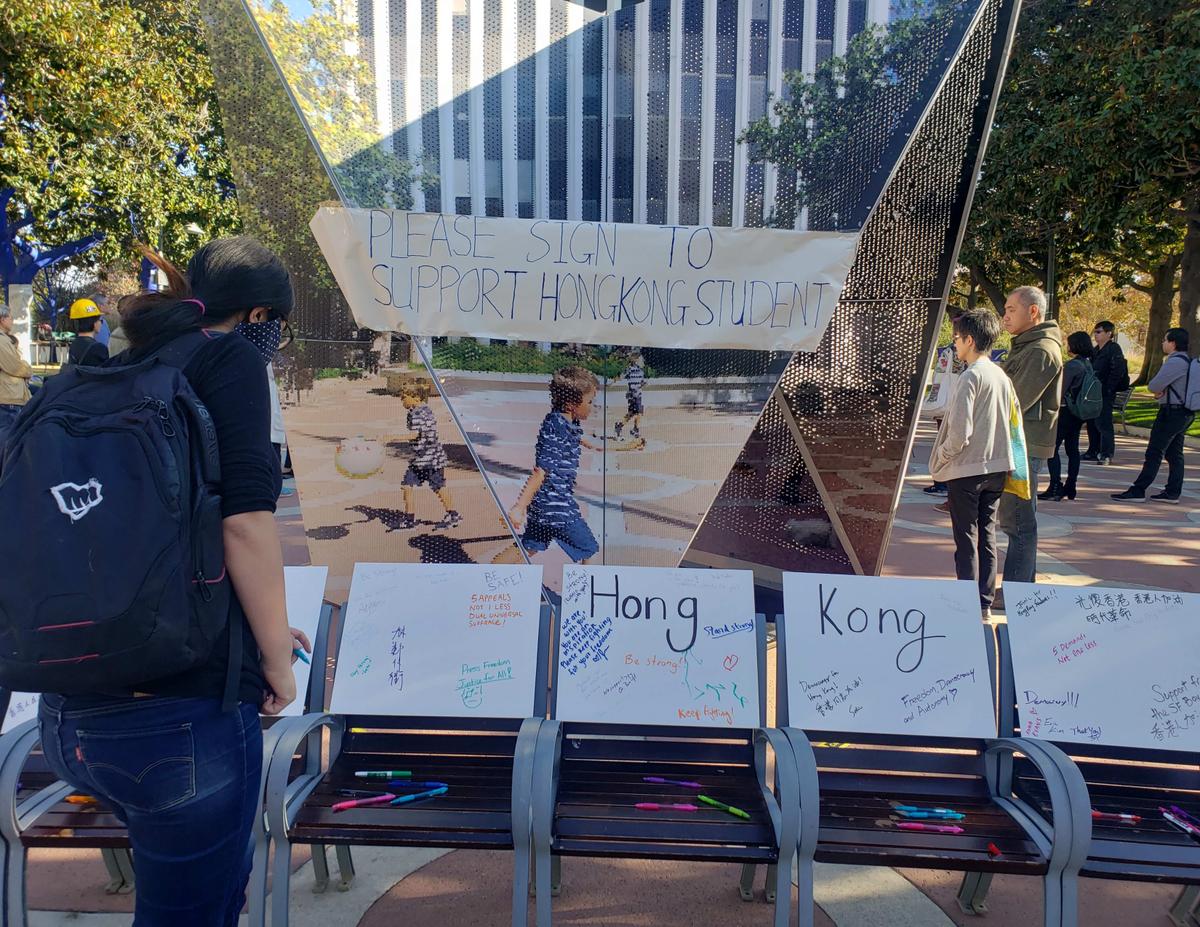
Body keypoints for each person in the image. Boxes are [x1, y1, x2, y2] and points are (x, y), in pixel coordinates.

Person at [37, 236, 311, 926]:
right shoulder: (231, 364)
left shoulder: (122, 365)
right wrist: (274, 660)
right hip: (181, 721)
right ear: (258, 314)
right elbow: (244, 527)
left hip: (70, 713)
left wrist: (259, 626)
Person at [928, 309, 1015, 617]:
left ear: (969, 339)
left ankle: (967, 601)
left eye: (957, 338)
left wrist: (943, 456)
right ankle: (984, 602)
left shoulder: (970, 377)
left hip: (967, 469)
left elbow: (960, 431)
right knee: (987, 536)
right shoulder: (1000, 375)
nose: (955, 344)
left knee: (965, 538)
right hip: (996, 467)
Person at [495, 366, 602, 565]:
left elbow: (583, 440)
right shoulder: (557, 428)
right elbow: (540, 472)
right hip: (556, 506)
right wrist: (519, 507)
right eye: (589, 402)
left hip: (545, 505)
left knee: (528, 547)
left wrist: (614, 446)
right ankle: (584, 595)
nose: (592, 407)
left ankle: (489, 578)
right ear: (571, 405)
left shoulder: (565, 421)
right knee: (589, 550)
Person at [997, 286, 1063, 586]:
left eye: (1011, 310)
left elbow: (1015, 400)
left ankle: (1017, 589)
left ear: (1033, 311)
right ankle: (1019, 586)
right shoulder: (1027, 346)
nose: (1005, 316)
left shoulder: (1041, 351)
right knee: (1015, 518)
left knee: (1020, 521)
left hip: (1024, 446)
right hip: (1017, 442)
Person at [1112, 327, 1195, 503]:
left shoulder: (1175, 362)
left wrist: (1159, 391)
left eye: (1165, 340)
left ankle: (1138, 490)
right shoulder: (1187, 361)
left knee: (1155, 452)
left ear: (1173, 343)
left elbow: (1154, 385)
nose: (1162, 343)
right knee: (1174, 454)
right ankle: (1172, 492)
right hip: (1183, 413)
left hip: (1171, 413)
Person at [397, 379, 460, 530]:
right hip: (426, 458)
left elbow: (415, 435)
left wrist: (391, 437)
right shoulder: (424, 409)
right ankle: (410, 519)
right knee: (409, 485)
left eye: (404, 396)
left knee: (436, 486)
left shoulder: (417, 413)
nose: (402, 400)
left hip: (429, 459)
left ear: (416, 397)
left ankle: (453, 515)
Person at [1041, 331, 1094, 501]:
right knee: (1073, 450)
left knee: (1052, 449)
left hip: (1065, 411)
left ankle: (1055, 485)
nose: (1067, 346)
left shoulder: (1072, 366)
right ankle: (1071, 485)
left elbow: (1059, 390)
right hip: (1078, 413)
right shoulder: (1088, 365)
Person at [1083, 320, 1127, 464]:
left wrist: (1108, 388)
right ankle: (1093, 450)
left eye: (1099, 332)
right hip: (1093, 392)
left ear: (1109, 333)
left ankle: (1106, 453)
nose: (1096, 335)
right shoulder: (1095, 351)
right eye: (1095, 332)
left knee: (1103, 423)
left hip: (1105, 393)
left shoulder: (1113, 349)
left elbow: (1117, 370)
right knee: (1091, 422)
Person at [0, 303, 33, 448]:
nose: (12, 320)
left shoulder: (4, 339)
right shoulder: (1, 341)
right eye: (10, 317)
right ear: (2, 319)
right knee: (7, 441)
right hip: (8, 398)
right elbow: (14, 367)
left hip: (11, 396)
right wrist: (28, 369)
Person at [64, 298, 109, 367]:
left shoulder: (74, 344)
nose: (101, 323)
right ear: (94, 324)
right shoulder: (99, 348)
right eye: (100, 320)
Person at [614, 353, 646, 440]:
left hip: (638, 394)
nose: (643, 361)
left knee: (632, 413)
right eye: (641, 360)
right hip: (633, 395)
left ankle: (620, 426)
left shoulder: (641, 371)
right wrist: (615, 379)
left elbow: (642, 382)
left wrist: (642, 384)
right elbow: (621, 376)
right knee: (638, 412)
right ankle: (634, 429)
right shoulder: (630, 369)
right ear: (635, 361)